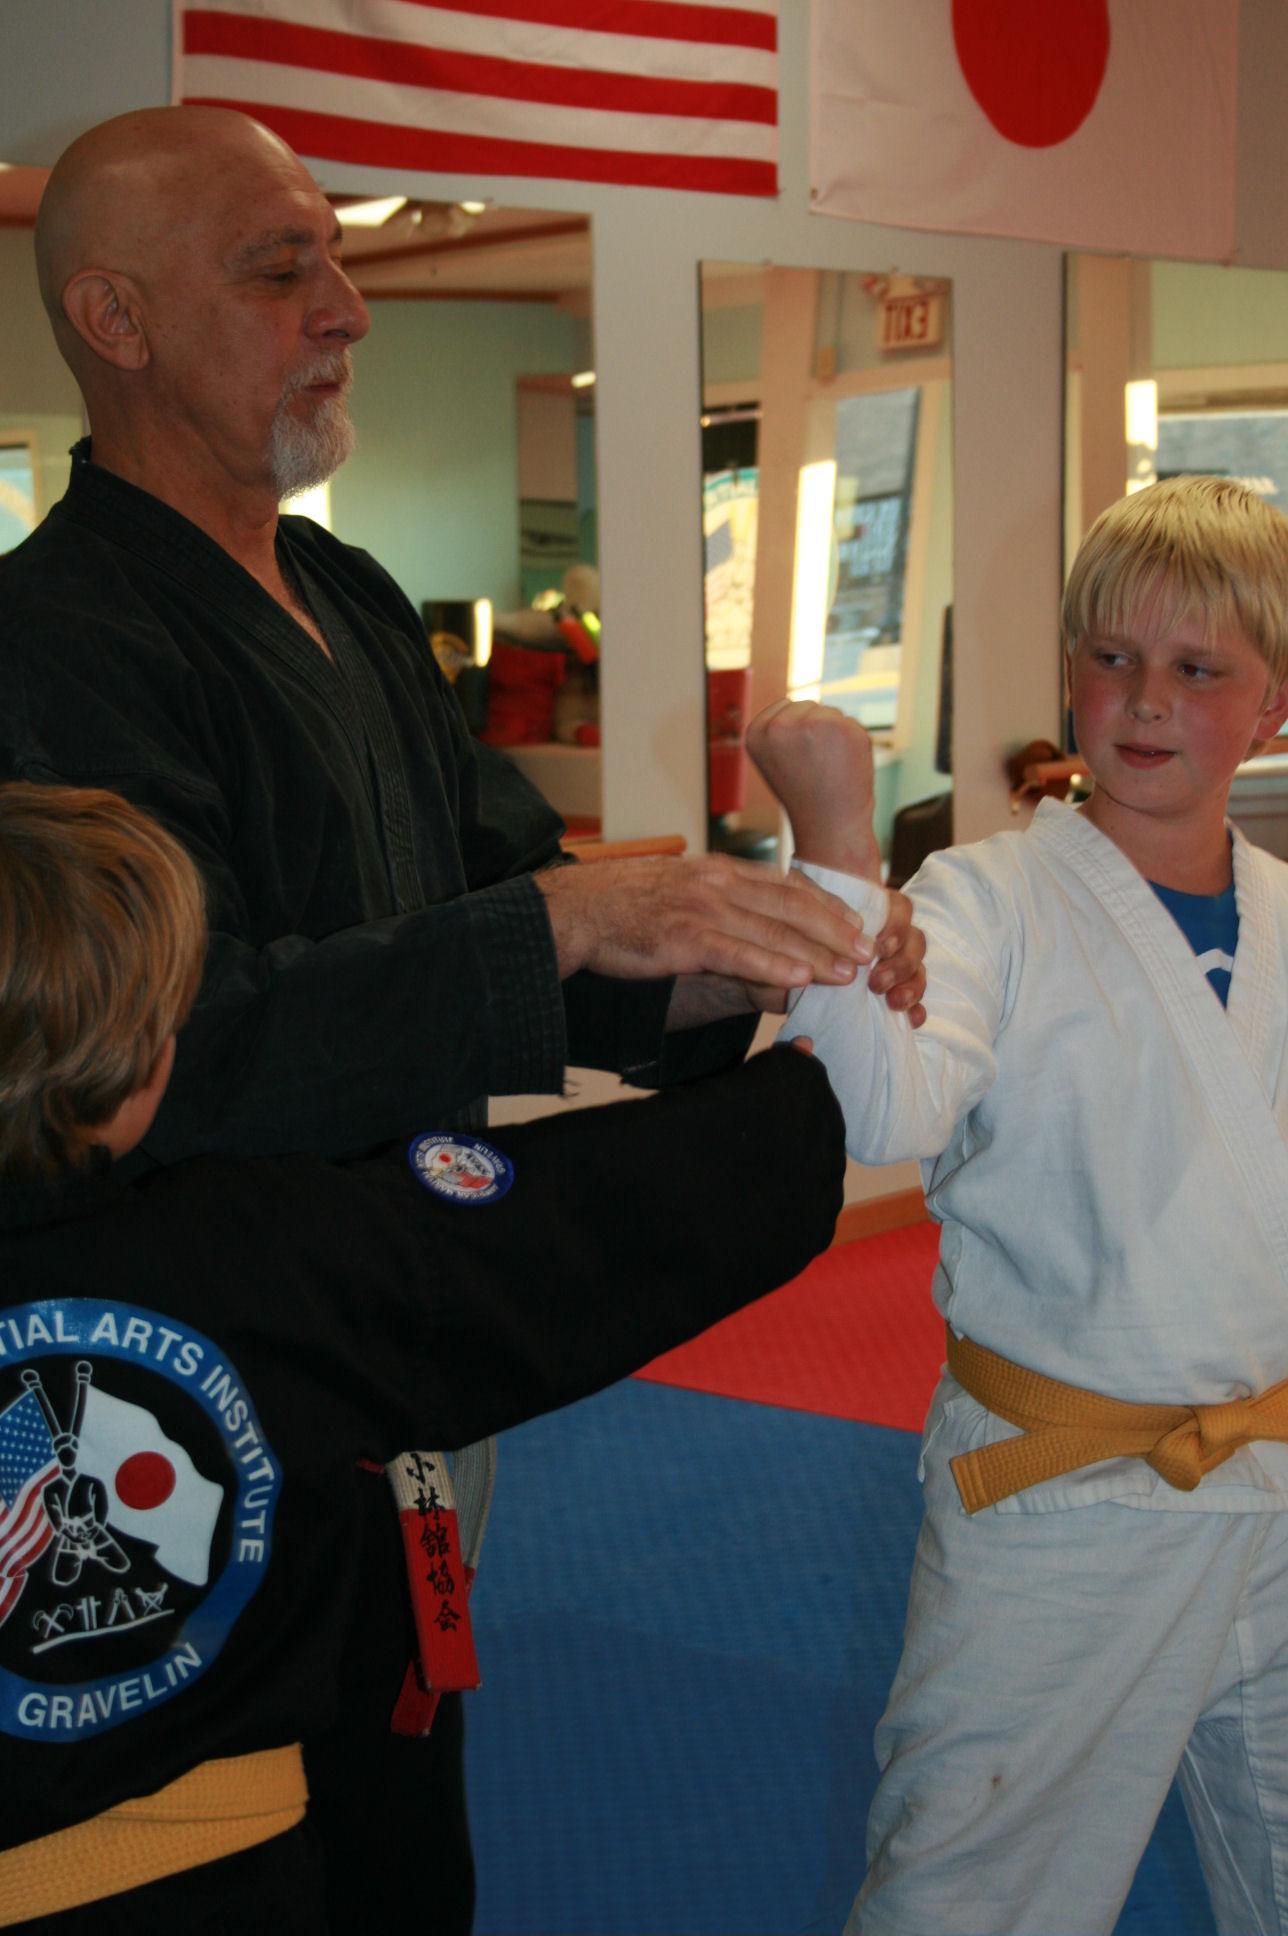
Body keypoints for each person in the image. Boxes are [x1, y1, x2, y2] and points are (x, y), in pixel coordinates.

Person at [0, 105, 925, 1926]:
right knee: (258, 1835)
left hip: (407, 1334)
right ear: (112, 320)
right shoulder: (51, 643)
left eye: (337, 257)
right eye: (283, 269)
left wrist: (736, 961)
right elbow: (172, 1049)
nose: (346, 305)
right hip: (199, 1369)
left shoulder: (337, 588)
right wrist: (567, 918)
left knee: (407, 1794)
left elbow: (506, 898)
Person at [0, 780, 848, 1931]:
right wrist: (817, 1090)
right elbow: (574, 1230)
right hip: (210, 1886)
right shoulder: (265, 1258)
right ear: (153, 1059)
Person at [747, 475, 1288, 1936]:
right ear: (1067, 676)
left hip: (1276, 1485)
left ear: (1274, 704)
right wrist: (844, 855)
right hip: (1061, 1499)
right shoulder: (981, 901)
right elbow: (884, 1107)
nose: (1146, 701)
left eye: (1197, 669)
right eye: (1111, 658)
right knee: (975, 1891)